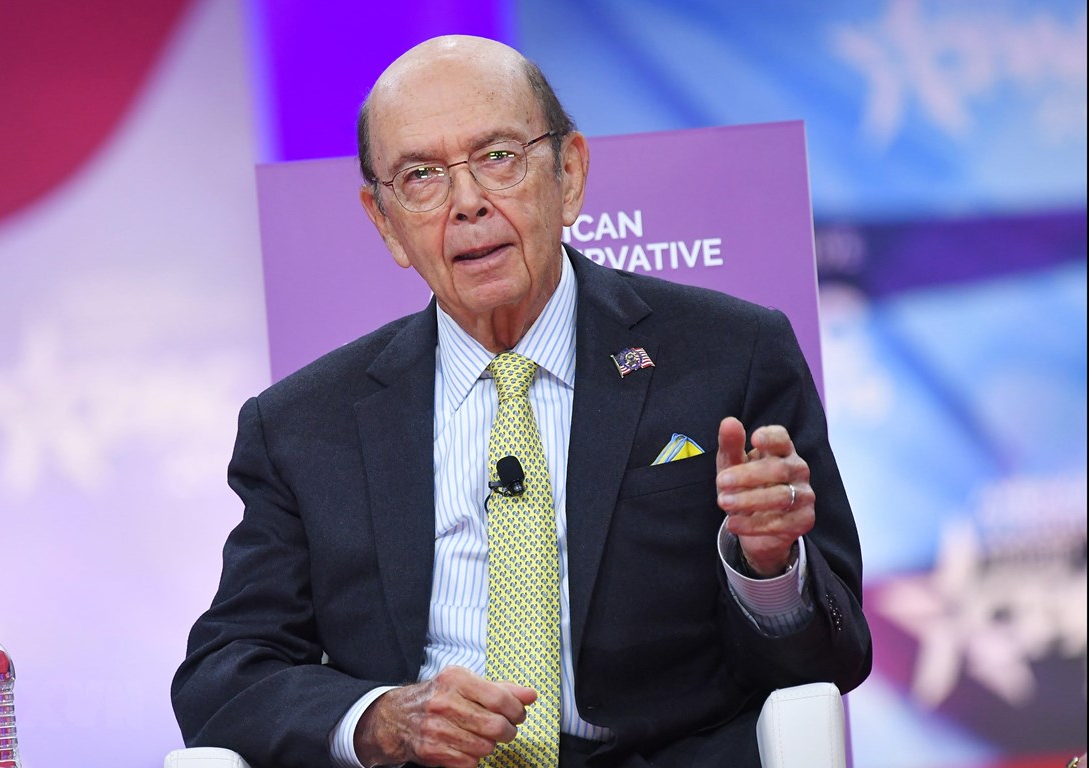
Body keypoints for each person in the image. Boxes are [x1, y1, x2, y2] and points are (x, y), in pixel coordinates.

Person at [172, 34, 872, 768]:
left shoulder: (731, 355)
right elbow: (223, 675)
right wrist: (383, 719)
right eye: (421, 176)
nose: (468, 203)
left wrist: (767, 568)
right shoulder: (301, 427)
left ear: (569, 173)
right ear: (385, 222)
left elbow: (836, 658)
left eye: (499, 157)